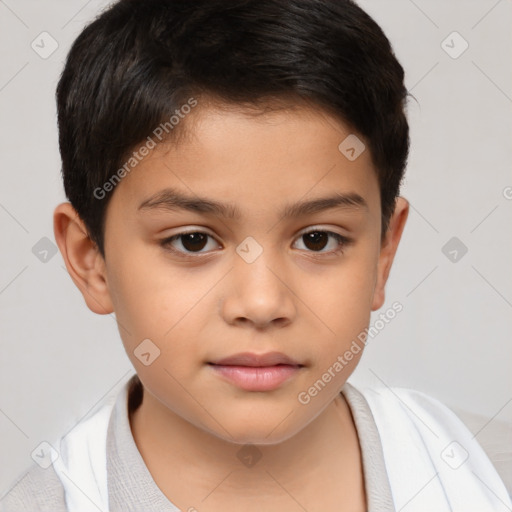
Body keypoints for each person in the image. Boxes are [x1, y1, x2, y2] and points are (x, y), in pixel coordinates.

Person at [1, 0, 510, 510]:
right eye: (193, 240)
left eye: (318, 239)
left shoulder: (488, 476)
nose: (263, 303)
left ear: (383, 252)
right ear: (91, 259)